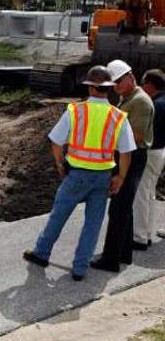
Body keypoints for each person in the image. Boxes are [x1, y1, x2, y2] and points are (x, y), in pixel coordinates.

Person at [23, 65, 135, 281]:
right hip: (103, 177)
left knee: (58, 215)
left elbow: (56, 142)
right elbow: (127, 152)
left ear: (91, 87)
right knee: (93, 224)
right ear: (109, 87)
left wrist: (59, 164)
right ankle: (80, 269)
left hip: (76, 176)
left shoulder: (75, 111)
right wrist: (120, 177)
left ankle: (42, 253)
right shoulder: (118, 116)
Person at [90, 59, 153, 273]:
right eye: (113, 84)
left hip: (133, 157)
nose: (115, 87)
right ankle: (123, 253)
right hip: (128, 156)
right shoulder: (128, 99)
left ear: (130, 76)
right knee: (124, 208)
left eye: (118, 82)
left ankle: (110, 259)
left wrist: (106, 137)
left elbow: (135, 137)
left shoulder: (140, 102)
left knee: (118, 209)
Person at [132, 69, 165, 249]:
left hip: (151, 152)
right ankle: (147, 233)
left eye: (144, 83)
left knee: (142, 195)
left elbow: (145, 133)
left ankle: (140, 237)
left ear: (150, 85)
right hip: (160, 152)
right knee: (150, 193)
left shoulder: (155, 106)